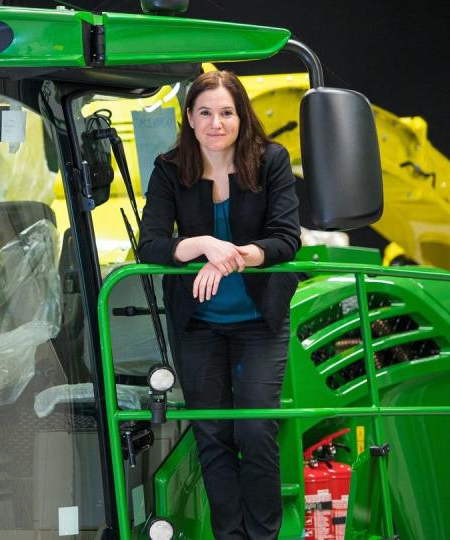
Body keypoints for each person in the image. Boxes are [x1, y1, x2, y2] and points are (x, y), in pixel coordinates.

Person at [138, 70, 300, 540]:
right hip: (199, 325)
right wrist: (203, 244)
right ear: (189, 118)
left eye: (226, 112)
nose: (216, 122)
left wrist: (229, 260)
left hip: (259, 321)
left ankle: (263, 536)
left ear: (241, 115)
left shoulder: (271, 160)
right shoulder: (170, 168)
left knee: (255, 430)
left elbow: (286, 240)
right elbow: (150, 245)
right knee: (212, 435)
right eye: (205, 112)